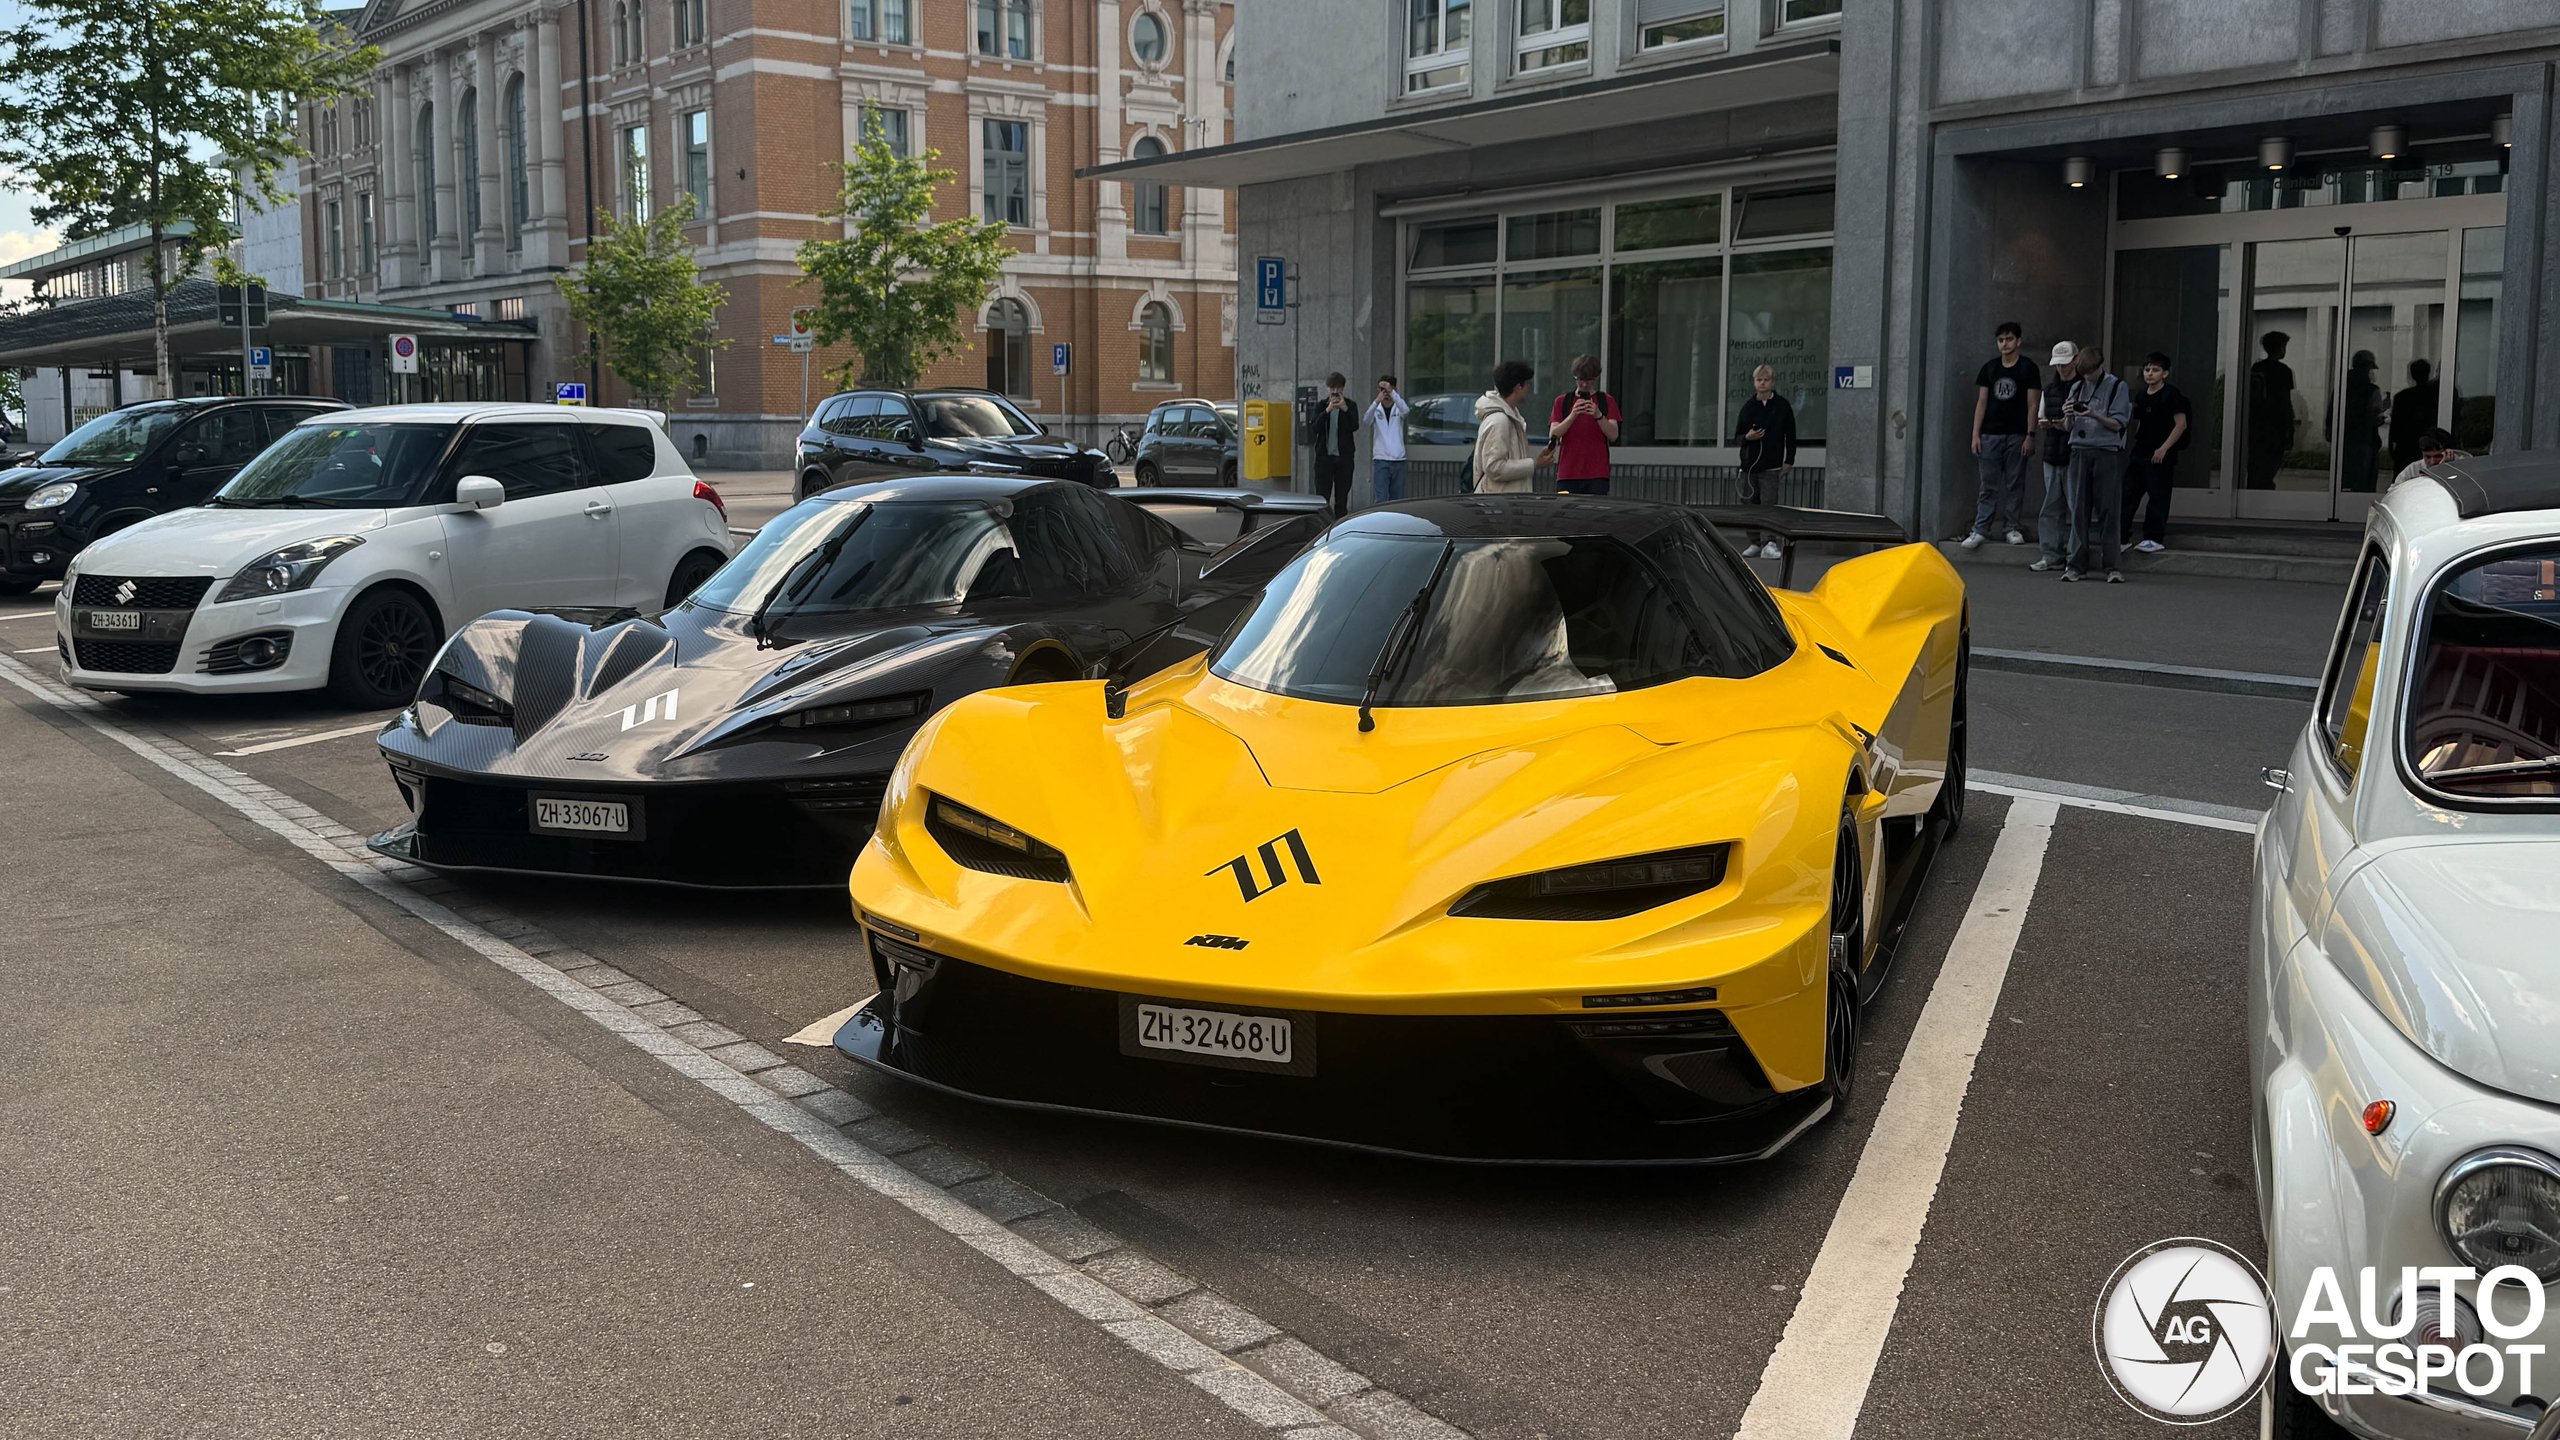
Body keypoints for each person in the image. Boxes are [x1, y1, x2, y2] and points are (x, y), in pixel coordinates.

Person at [1961, 321, 2039, 548]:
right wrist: (1975, 434)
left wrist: (2030, 435)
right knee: (1988, 485)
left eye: (2009, 339)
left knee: (2015, 484)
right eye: (2001, 340)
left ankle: (2012, 527)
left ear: (2018, 341)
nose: (2005, 344)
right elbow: (1981, 403)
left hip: (2017, 434)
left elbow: (2033, 404)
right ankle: (1980, 529)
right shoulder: (1989, 368)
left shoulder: (2028, 368)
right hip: (1990, 435)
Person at [2060, 344, 2131, 583]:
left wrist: (2093, 414)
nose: (2087, 377)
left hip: (2106, 452)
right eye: (2084, 373)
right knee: (2079, 510)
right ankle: (2075, 564)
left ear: (2100, 366)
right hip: (2079, 451)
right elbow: (2067, 427)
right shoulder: (2077, 386)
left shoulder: (2117, 387)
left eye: (2090, 372)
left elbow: (2118, 424)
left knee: (2109, 510)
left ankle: (2112, 566)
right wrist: (2068, 414)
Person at [2120, 352, 2190, 553]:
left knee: (2157, 495)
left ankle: (2154, 537)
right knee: (2128, 494)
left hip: (2161, 453)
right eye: (2147, 369)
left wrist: (2164, 448)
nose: (2150, 374)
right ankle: (2122, 537)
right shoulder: (2141, 395)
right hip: (2140, 450)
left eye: (2155, 370)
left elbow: (2181, 424)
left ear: (2165, 373)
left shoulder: (2172, 395)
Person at [1732, 364, 1796, 559]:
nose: (1762, 383)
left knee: (1769, 505)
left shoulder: (1782, 406)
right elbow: (1737, 437)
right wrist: (1748, 437)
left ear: (1772, 382)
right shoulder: (1748, 407)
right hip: (1750, 466)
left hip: (1772, 465)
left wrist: (1789, 460)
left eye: (1765, 380)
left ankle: (1770, 543)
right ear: (1754, 383)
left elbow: (1791, 435)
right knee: (1750, 504)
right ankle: (1755, 543)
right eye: (1759, 380)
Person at [2028, 340, 2077, 573]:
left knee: (2076, 507)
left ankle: (2074, 556)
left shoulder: (2084, 387)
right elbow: (2040, 418)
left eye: (2066, 364)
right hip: (2052, 453)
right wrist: (2048, 424)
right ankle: (2051, 554)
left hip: (2075, 454)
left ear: (2076, 360)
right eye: (2058, 365)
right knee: (2051, 506)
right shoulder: (2050, 389)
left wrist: (2055, 424)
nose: (2062, 369)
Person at [1471, 360, 1550, 495]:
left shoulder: (1509, 416)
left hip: (1506, 502)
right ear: (1518, 387)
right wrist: (1534, 464)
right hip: (1500, 504)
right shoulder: (1499, 420)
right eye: (1528, 384)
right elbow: (1493, 467)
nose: (1529, 388)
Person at [1547, 354, 1620, 496]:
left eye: (1589, 380)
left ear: (1596, 378)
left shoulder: (1606, 400)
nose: (1585, 385)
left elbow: (1613, 435)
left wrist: (1598, 415)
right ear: (1575, 377)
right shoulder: (1562, 401)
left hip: (1597, 474)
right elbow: (1553, 434)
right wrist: (1573, 414)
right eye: (1580, 380)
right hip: (1567, 473)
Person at [2246, 331, 2296, 489]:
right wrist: (2290, 428)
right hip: (2275, 427)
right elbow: (2285, 402)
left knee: (2256, 466)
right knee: (2269, 467)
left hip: (2256, 426)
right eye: (2284, 346)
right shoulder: (2283, 371)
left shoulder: (2257, 368)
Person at [1310, 372, 1359, 516]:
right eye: (1332, 389)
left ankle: (1339, 527)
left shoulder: (1350, 405)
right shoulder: (1321, 406)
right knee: (1322, 498)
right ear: (1328, 389)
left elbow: (1354, 426)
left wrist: (1345, 409)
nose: (1335, 392)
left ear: (1343, 388)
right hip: (1324, 459)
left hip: (1344, 458)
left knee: (1341, 498)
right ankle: (1323, 529)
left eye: (1338, 389)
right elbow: (1315, 428)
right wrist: (1327, 411)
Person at [2341, 349, 2385, 496]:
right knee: (2365, 481)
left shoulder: (2342, 387)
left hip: (2345, 440)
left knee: (2346, 479)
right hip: (2366, 440)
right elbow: (2375, 417)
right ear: (2367, 368)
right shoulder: (2372, 390)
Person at [1363, 375, 1411, 505]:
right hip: (1381, 459)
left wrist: (1392, 393)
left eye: (1387, 389)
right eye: (1381, 389)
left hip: (1398, 460)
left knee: (1397, 498)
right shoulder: (1376, 408)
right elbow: (1366, 419)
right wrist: (1376, 402)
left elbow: (1406, 411)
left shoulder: (1398, 406)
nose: (1384, 393)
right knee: (1381, 497)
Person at [2388, 359, 2441, 474]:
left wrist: (2391, 444)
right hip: (2428, 444)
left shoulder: (2402, 397)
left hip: (2406, 446)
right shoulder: (2436, 396)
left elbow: (2395, 424)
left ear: (2411, 375)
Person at [2389, 427, 2469, 488]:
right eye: (2427, 457)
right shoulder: (2413, 469)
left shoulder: (2461, 467)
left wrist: (2446, 466)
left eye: (2438, 456)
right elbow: (2393, 491)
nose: (2432, 461)